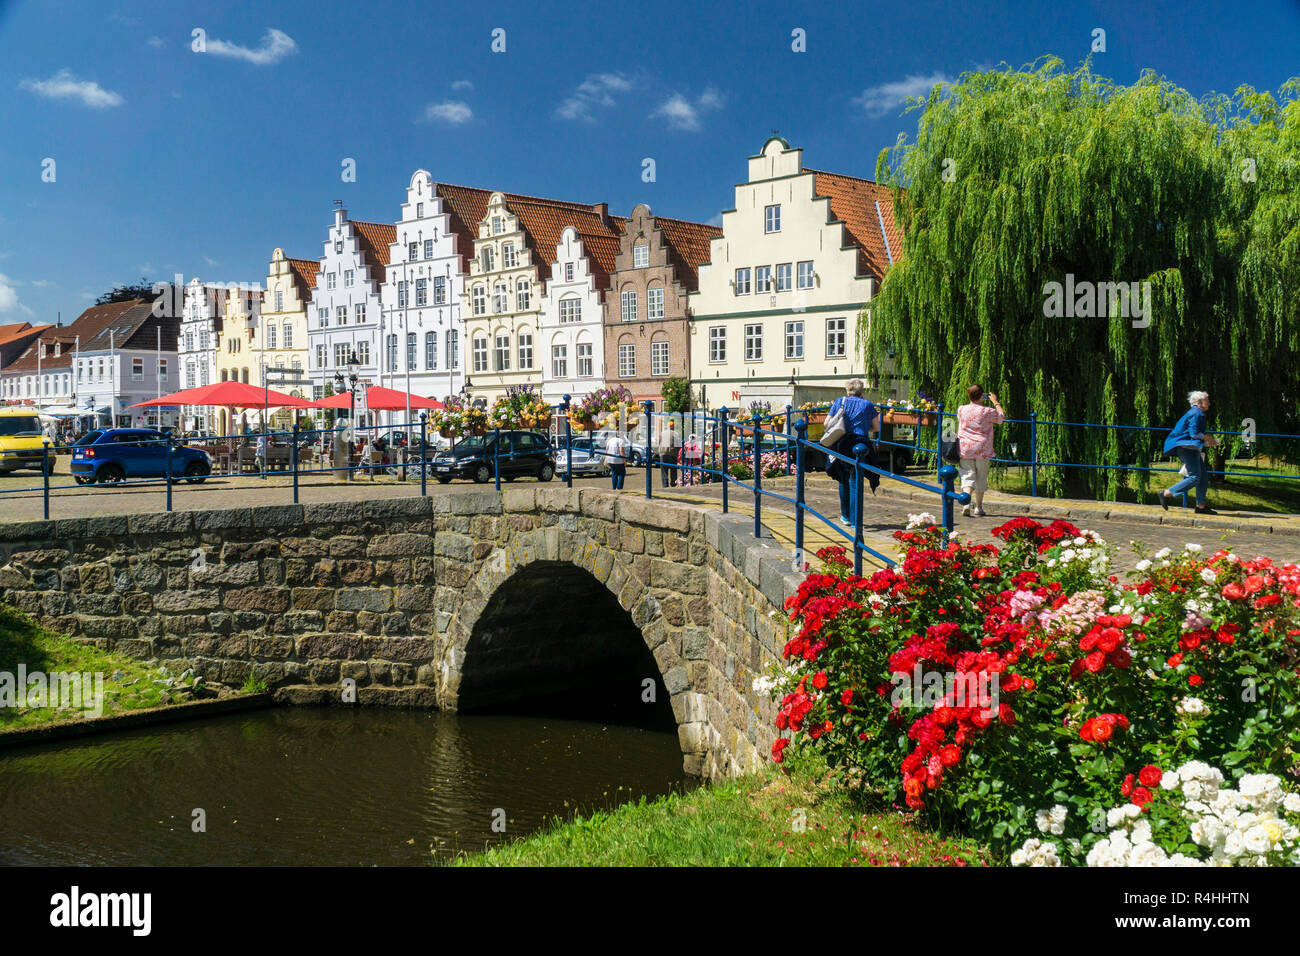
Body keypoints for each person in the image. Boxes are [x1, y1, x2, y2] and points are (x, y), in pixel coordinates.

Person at [825, 379, 880, 526]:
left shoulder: (840, 401)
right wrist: (863, 428)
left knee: (843, 478)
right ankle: (856, 520)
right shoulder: (868, 404)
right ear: (861, 390)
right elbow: (876, 428)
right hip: (861, 444)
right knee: (856, 480)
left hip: (842, 443)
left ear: (847, 389)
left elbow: (826, 423)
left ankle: (846, 516)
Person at [1158, 390, 1218, 515]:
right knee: (1195, 477)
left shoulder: (1196, 413)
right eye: (1207, 400)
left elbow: (1191, 436)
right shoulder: (1196, 413)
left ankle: (1200, 507)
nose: (1209, 403)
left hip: (1189, 448)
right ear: (1200, 402)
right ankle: (1166, 494)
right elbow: (1194, 434)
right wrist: (1208, 438)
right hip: (1187, 449)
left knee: (1203, 477)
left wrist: (1208, 442)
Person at [957, 385, 1005, 517]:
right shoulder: (987, 411)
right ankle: (978, 508)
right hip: (982, 448)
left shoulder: (961, 409)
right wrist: (995, 401)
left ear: (969, 395)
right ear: (981, 396)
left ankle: (966, 503)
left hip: (965, 447)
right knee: (981, 476)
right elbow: (1001, 417)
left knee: (967, 474)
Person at [657, 419, 681, 487]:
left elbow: (659, 442)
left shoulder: (662, 433)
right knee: (673, 469)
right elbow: (678, 444)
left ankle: (665, 485)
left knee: (664, 470)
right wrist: (677, 453)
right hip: (672, 453)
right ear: (673, 427)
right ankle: (673, 483)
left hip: (663, 453)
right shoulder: (675, 433)